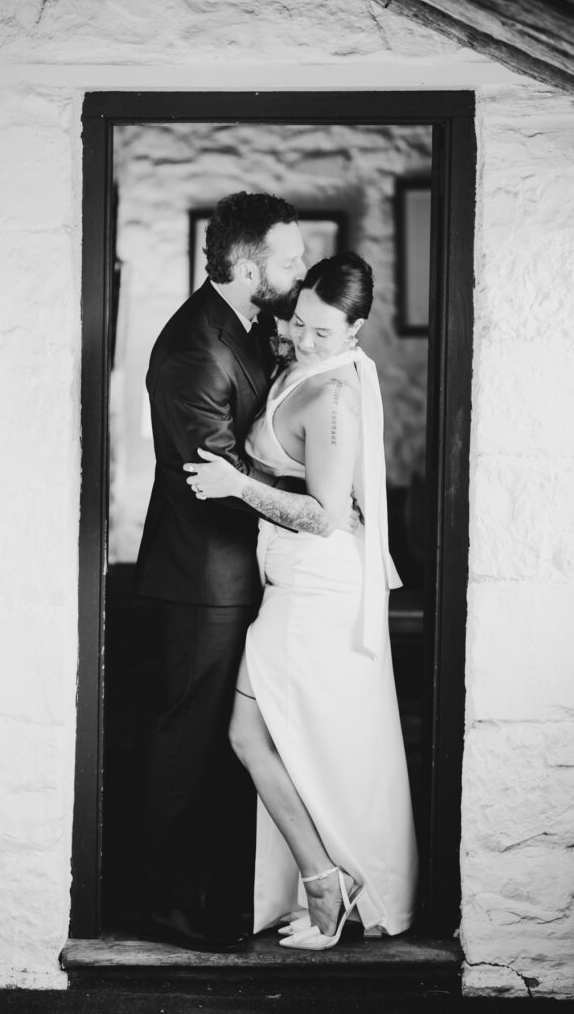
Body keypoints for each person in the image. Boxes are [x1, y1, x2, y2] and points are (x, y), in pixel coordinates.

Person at [185, 252, 419, 949]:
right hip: (287, 581)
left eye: (323, 331)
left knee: (246, 733)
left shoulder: (333, 395)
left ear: (356, 329)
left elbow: (323, 514)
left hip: (315, 587)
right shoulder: (299, 366)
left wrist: (237, 487)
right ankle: (325, 881)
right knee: (278, 736)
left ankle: (327, 883)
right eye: (299, 322)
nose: (303, 339)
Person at [135, 191, 307, 952]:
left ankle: (223, 891)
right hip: (203, 577)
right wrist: (317, 505)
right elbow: (220, 475)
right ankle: (170, 907)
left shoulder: (240, 325)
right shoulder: (191, 349)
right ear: (247, 266)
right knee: (191, 740)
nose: (300, 270)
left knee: (229, 737)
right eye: (291, 258)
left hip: (241, 571)